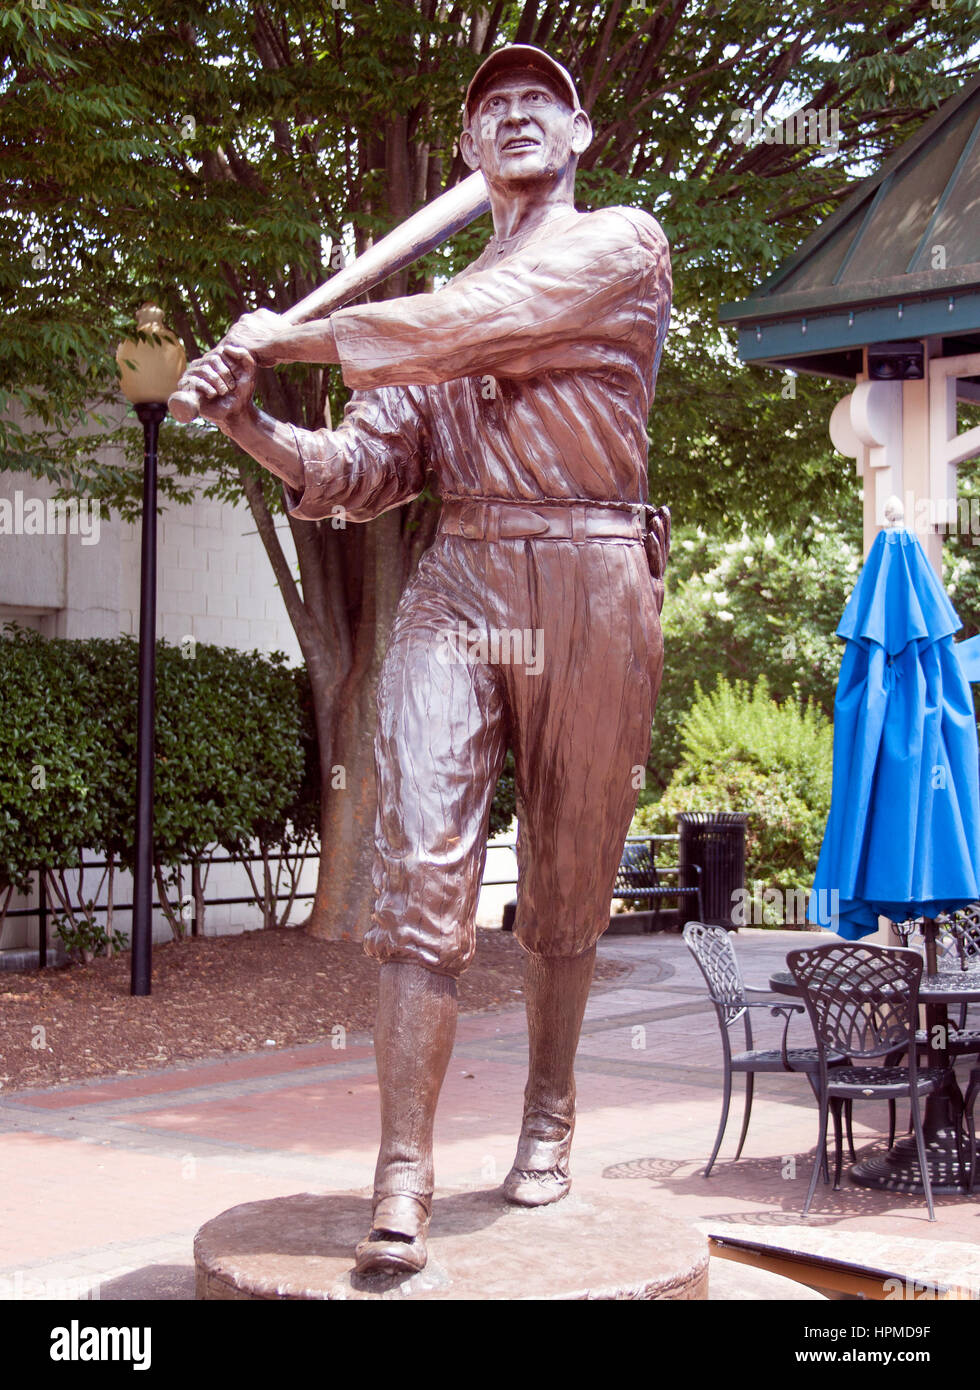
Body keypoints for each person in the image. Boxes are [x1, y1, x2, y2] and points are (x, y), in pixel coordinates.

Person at [178, 43, 672, 1277]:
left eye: (535, 103)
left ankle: (549, 1112)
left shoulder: (619, 245)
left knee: (565, 876)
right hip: (461, 582)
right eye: (489, 108)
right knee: (422, 867)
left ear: (577, 135)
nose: (511, 115)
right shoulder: (422, 328)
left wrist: (293, 337)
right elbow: (361, 473)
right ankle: (402, 1168)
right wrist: (250, 421)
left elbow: (482, 320)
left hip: (590, 577)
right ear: (465, 153)